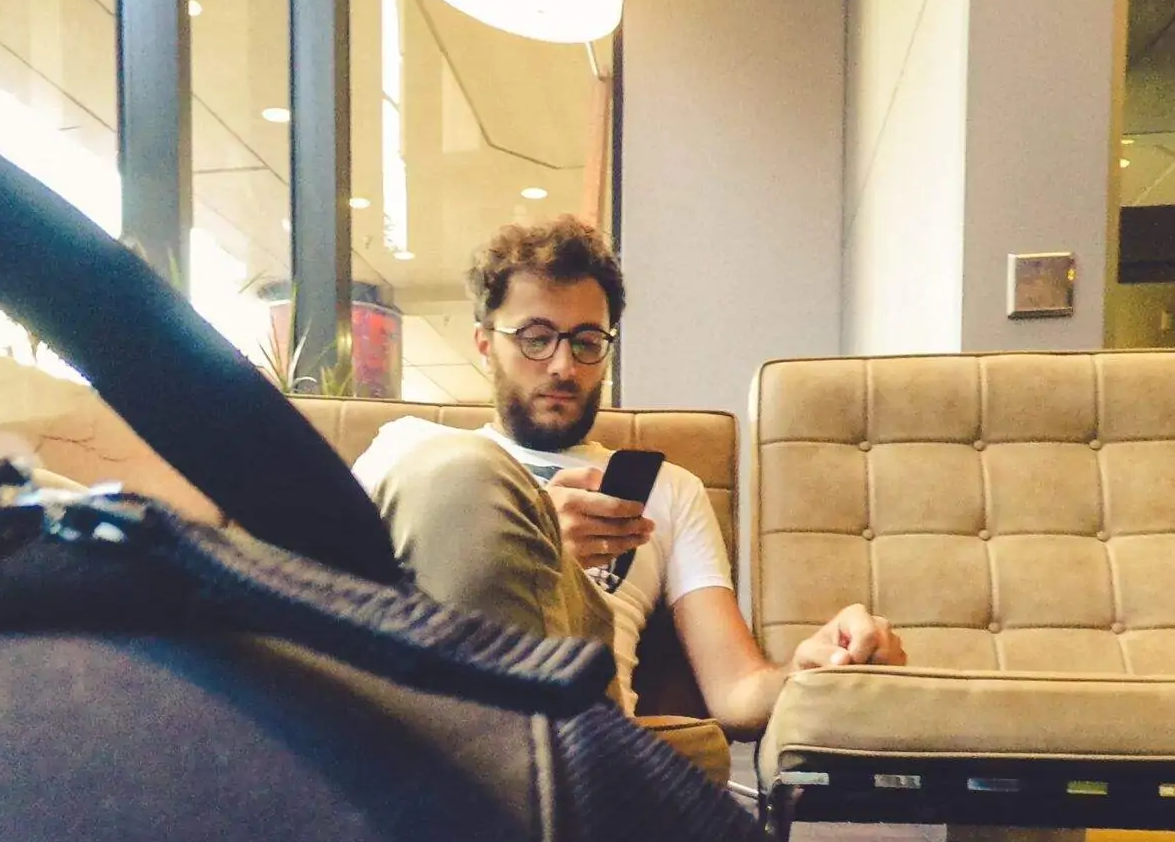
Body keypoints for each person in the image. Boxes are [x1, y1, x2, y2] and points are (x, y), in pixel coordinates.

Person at [353, 218, 904, 726]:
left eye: (587, 342)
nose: (563, 366)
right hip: (422, 716)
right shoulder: (410, 451)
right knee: (456, 470)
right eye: (535, 339)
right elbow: (327, 612)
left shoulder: (669, 491)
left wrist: (810, 673)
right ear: (484, 344)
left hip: (579, 734)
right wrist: (535, 542)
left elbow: (737, 691)